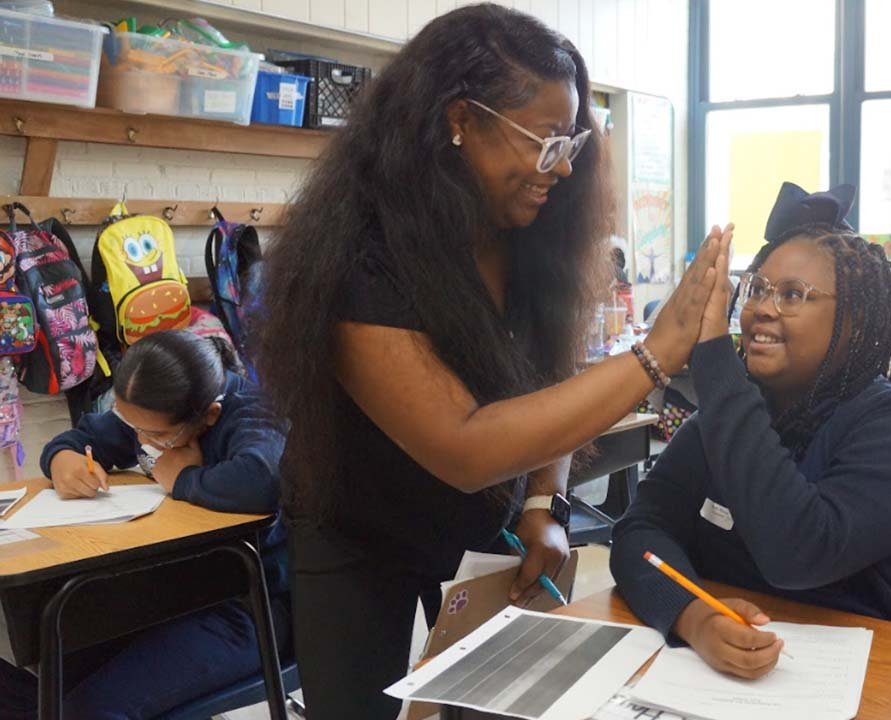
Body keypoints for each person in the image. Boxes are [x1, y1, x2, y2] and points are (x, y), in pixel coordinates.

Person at [253, 4, 729, 717]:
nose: (562, 168)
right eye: (543, 143)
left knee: (496, 705)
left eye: (570, 142)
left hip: (481, 530)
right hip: (358, 531)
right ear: (459, 120)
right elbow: (465, 445)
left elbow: (545, 383)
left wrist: (544, 503)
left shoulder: (528, 239)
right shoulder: (359, 260)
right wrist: (654, 356)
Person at [611, 183, 891, 680]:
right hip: (757, 682)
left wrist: (715, 359)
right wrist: (692, 615)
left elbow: (800, 552)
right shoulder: (724, 421)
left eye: (792, 295)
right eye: (757, 289)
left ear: (852, 322)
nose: (762, 309)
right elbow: (639, 530)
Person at [0, 330, 288, 719]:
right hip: (170, 593)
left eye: (154, 435)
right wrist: (61, 458)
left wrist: (182, 479)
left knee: (88, 708)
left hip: (250, 609)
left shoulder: (254, 413)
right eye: (129, 424)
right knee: (40, 674)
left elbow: (261, 480)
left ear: (209, 415)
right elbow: (83, 438)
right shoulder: (149, 410)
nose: (138, 438)